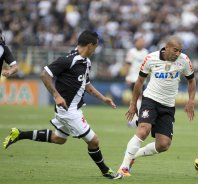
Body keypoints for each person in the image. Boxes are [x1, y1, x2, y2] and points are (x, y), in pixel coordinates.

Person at [3, 30, 123, 180]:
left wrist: (103, 98)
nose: (96, 49)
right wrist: (56, 95)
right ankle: (106, 171)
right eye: (96, 46)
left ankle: (19, 134)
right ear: (90, 45)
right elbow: (44, 74)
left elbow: (86, 84)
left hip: (70, 109)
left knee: (59, 139)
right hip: (69, 111)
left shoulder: (86, 62)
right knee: (94, 140)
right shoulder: (69, 60)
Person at [117, 35, 196, 176]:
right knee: (143, 130)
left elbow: (192, 80)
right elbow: (139, 82)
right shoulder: (151, 58)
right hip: (150, 100)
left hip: (168, 106)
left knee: (163, 145)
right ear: (166, 48)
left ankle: (134, 155)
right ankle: (123, 167)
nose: (178, 53)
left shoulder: (184, 60)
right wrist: (133, 103)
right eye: (175, 50)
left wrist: (190, 101)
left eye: (180, 51)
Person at [124, 36, 148, 127]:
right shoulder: (131, 52)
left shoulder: (145, 52)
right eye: (140, 41)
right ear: (135, 42)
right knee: (138, 98)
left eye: (143, 41)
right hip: (134, 78)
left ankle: (134, 120)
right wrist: (127, 77)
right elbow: (127, 65)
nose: (142, 43)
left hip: (143, 79)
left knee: (139, 99)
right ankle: (134, 120)